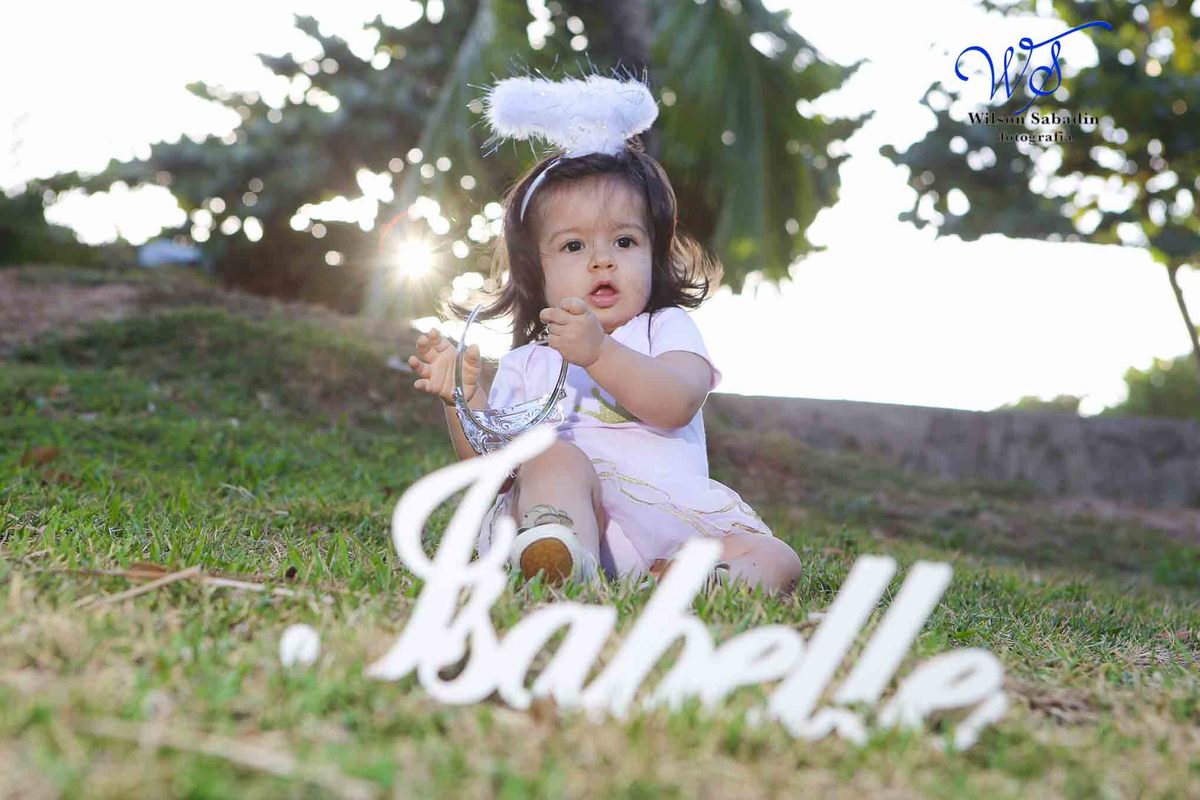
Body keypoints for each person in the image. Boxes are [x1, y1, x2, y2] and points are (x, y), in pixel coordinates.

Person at [406, 75, 803, 595]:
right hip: (566, 513)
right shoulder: (529, 362)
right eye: (573, 246)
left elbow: (676, 402)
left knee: (778, 558)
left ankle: (689, 582)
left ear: (653, 252)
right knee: (552, 455)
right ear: (536, 272)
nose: (601, 259)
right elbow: (494, 469)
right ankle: (561, 551)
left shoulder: (664, 328)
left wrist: (599, 353)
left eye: (624, 240)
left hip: (670, 523)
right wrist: (462, 397)